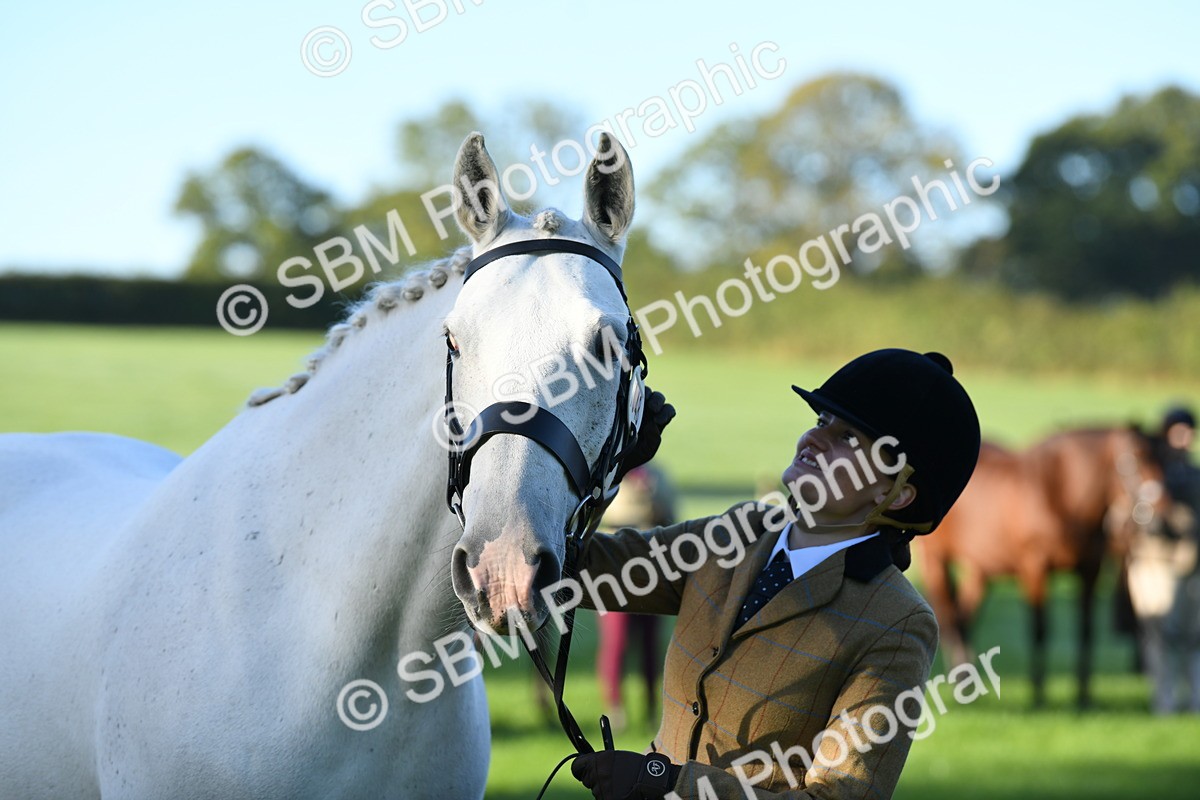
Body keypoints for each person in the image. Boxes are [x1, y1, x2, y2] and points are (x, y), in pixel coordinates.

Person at [572, 349, 980, 800]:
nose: (813, 438)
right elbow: (578, 569)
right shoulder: (739, 530)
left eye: (847, 437)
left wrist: (667, 782)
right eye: (822, 420)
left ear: (897, 493)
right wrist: (611, 466)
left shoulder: (897, 621)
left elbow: (836, 796)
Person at [595, 464, 676, 732]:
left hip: (650, 575)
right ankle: (615, 708)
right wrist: (635, 496)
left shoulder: (658, 476)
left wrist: (651, 497)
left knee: (650, 644)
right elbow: (604, 519)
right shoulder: (608, 474)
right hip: (613, 576)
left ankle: (651, 707)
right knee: (616, 643)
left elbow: (671, 520)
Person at [1130, 407, 1200, 714]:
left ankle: (1193, 697)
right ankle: (1165, 699)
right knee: (1158, 632)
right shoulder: (1150, 474)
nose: (1185, 438)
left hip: (1188, 564)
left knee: (1190, 636)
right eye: (1178, 432)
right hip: (1152, 561)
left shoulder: (1193, 476)